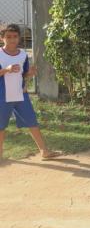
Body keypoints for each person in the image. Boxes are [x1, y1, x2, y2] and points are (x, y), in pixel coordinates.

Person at [0, 24, 59, 161]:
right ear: (2, 38)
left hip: (21, 95)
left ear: (19, 38)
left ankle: (44, 151)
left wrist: (29, 73)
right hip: (2, 97)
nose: (12, 39)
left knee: (32, 121)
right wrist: (6, 70)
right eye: (8, 37)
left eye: (15, 37)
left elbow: (24, 74)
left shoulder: (23, 54)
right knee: (1, 126)